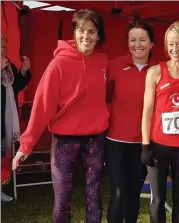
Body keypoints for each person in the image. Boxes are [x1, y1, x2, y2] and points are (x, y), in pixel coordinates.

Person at [12, 9, 109, 223]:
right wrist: (25, 146)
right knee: (62, 199)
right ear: (74, 33)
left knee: (93, 196)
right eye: (81, 30)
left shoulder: (103, 61)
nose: (86, 36)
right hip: (65, 140)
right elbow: (42, 105)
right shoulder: (59, 64)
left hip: (96, 138)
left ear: (99, 35)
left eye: (92, 31)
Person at [141, 21, 179, 223]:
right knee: (158, 199)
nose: (175, 49)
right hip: (158, 145)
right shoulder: (155, 72)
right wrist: (145, 144)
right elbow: (147, 110)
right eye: (171, 44)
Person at [105, 20, 155, 223]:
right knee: (118, 193)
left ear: (152, 43)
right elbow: (105, 99)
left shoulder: (158, 69)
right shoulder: (114, 66)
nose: (137, 44)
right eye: (132, 40)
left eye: (142, 39)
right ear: (127, 43)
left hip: (143, 143)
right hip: (116, 142)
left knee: (134, 194)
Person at [1, 34, 31, 202]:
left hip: (5, 119)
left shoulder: (7, 65)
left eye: (4, 47)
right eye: (0, 47)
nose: (3, 50)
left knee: (2, 152)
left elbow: (18, 85)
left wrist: (24, 71)